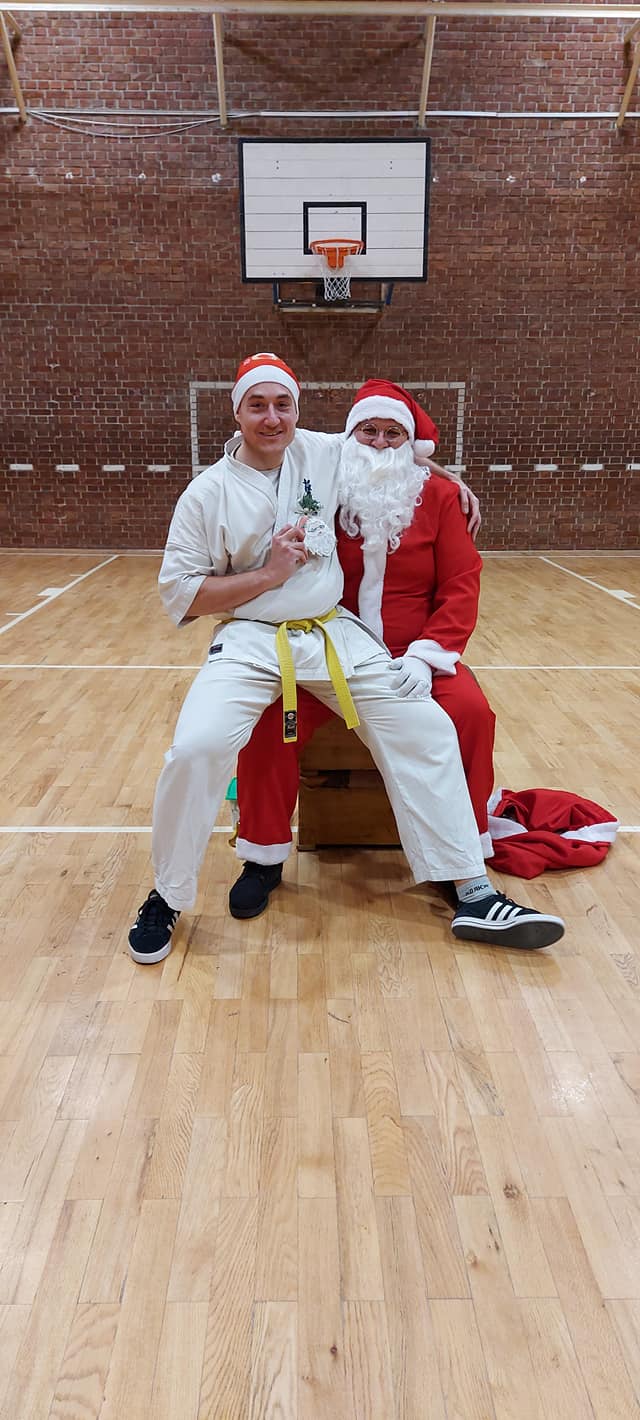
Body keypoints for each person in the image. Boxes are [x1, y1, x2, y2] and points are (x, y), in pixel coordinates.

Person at [128, 353, 564, 964]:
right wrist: (269, 574)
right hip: (252, 641)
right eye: (258, 405)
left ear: (297, 412)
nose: (272, 418)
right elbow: (183, 595)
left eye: (283, 405)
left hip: (333, 633)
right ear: (236, 412)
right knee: (195, 749)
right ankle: (167, 895)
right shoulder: (206, 494)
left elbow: (388, 447)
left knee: (428, 726)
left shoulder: (317, 451)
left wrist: (446, 477)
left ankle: (472, 890)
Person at [231, 378, 497, 919]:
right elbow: (267, 442)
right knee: (268, 720)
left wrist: (427, 653)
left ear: (410, 443)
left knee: (471, 713)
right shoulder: (322, 485)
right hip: (326, 648)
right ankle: (262, 856)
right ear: (348, 437)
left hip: (414, 651)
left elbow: (461, 584)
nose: (379, 443)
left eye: (393, 434)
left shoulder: (440, 497)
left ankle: (461, 860)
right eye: (368, 431)